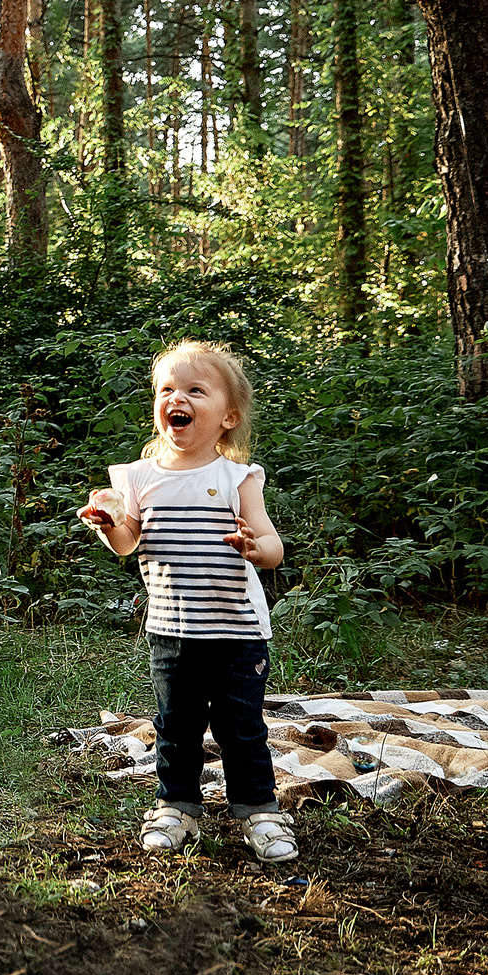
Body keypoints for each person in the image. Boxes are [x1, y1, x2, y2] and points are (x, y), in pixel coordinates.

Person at [76, 339, 295, 863]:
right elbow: (130, 542)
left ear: (228, 416)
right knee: (176, 725)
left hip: (238, 631)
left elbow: (274, 549)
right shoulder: (138, 478)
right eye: (168, 389)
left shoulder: (238, 479)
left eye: (197, 390)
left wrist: (253, 546)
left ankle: (260, 810)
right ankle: (176, 807)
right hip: (173, 630)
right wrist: (110, 525)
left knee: (241, 728)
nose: (179, 398)